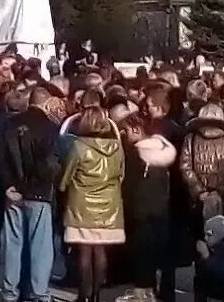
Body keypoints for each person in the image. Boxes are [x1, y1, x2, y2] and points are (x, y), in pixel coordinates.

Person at [0, 86, 60, 302]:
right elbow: (48, 163)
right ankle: (38, 293)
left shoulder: (10, 124)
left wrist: (8, 185)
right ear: (46, 103)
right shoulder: (49, 127)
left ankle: (10, 292)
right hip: (38, 193)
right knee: (40, 248)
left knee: (13, 246)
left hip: (13, 192)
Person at [61, 105, 125, 302]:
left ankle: (83, 295)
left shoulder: (79, 146)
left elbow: (66, 177)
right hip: (109, 205)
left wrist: (62, 187)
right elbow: (121, 175)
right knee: (100, 251)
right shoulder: (117, 146)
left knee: (84, 252)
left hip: (82, 205)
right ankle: (97, 294)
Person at [118, 113, 177, 302]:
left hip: (140, 210)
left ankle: (142, 293)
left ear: (136, 130)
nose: (122, 134)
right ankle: (150, 291)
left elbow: (128, 185)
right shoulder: (162, 152)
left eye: (125, 130)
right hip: (160, 209)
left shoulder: (136, 154)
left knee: (142, 252)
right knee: (153, 253)